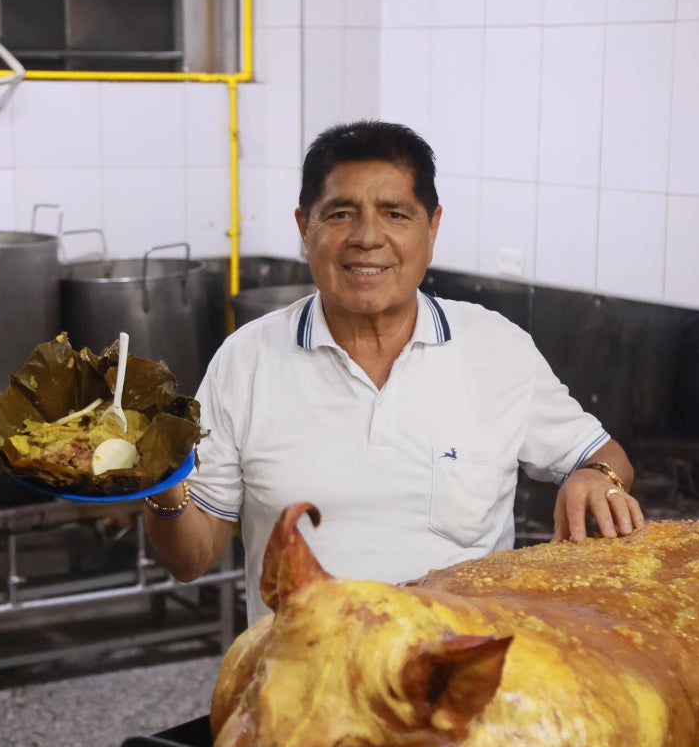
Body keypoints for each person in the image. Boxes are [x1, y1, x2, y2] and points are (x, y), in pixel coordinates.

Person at [145, 120, 644, 624]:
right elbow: (189, 561)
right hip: (303, 684)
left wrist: (596, 476)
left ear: (432, 227)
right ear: (304, 228)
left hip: (459, 676)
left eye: (395, 214)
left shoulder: (496, 347)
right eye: (340, 214)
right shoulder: (246, 359)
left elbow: (602, 455)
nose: (367, 238)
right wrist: (158, 482)